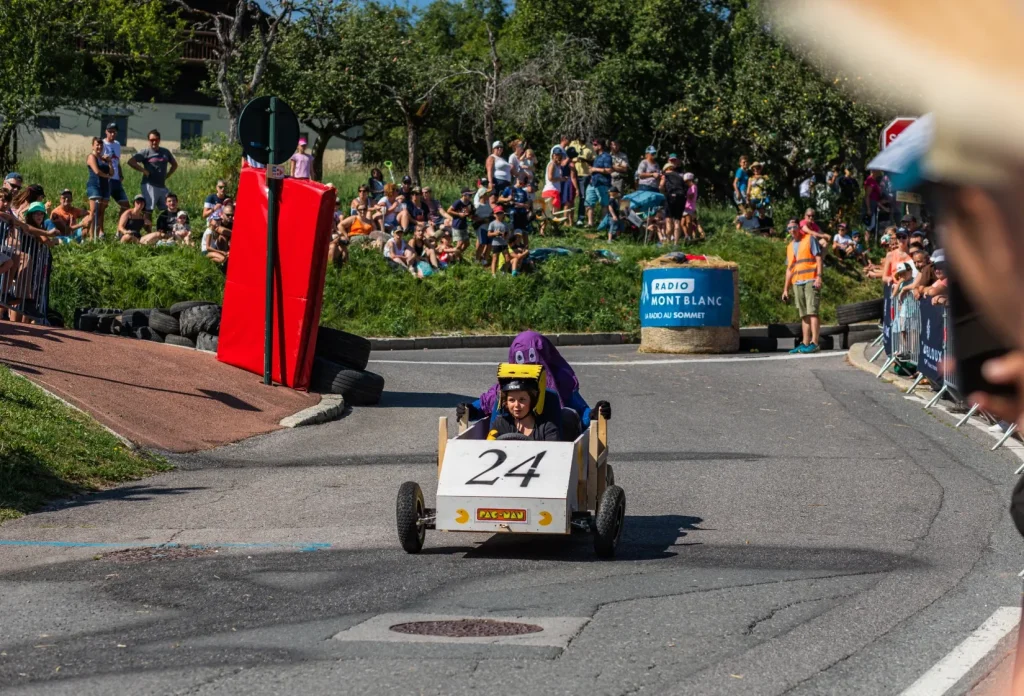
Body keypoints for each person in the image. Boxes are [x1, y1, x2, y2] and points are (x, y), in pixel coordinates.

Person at [460, 330, 611, 428]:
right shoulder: (506, 389)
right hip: (510, 444)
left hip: (548, 447)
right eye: (521, 359)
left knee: (567, 417)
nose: (527, 365)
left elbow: (580, 410)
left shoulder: (558, 386)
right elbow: (487, 402)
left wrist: (593, 414)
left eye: (532, 358)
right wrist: (471, 409)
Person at [782, 217, 824, 353]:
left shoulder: (809, 239)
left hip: (811, 279)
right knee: (804, 314)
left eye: (794, 227)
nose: (792, 230)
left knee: (812, 312)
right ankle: (805, 343)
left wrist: (819, 276)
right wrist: (785, 289)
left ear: (799, 228)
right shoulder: (789, 247)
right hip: (797, 281)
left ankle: (815, 343)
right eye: (789, 228)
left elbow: (818, 258)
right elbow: (789, 269)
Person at [488, 373, 561, 441]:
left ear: (532, 401)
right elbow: (488, 449)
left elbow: (554, 453)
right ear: (506, 403)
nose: (516, 405)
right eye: (512, 400)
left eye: (522, 400)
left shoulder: (547, 428)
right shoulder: (500, 424)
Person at [127, 130, 177, 223]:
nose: (154, 142)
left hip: (162, 185)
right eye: (151, 140)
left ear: (159, 140)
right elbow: (131, 162)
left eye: (156, 139)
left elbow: (174, 165)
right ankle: (148, 232)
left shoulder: (165, 152)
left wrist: (168, 175)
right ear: (148, 140)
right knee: (149, 210)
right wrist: (143, 170)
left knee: (167, 208)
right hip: (149, 184)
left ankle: (164, 229)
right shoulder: (145, 152)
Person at [84, 138, 112, 240]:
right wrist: (107, 176)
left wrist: (109, 162)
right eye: (97, 145)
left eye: (101, 145)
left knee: (101, 212)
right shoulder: (91, 157)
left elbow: (112, 173)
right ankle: (91, 237)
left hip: (105, 187)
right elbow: (97, 171)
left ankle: (98, 234)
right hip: (95, 186)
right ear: (92, 146)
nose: (99, 147)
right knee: (94, 211)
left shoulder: (103, 159)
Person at [585, 139, 614, 229]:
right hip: (593, 183)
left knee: (604, 204)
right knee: (588, 202)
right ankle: (590, 223)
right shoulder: (597, 157)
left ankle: (603, 224)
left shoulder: (607, 156)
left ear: (600, 146)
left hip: (603, 184)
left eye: (594, 144)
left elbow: (609, 170)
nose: (593, 146)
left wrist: (595, 169)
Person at [102, 123, 129, 214]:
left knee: (125, 205)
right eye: (110, 132)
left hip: (116, 179)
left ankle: (120, 227)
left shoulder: (117, 144)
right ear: (106, 132)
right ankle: (100, 228)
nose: (112, 134)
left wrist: (121, 174)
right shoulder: (102, 144)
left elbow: (117, 161)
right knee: (103, 205)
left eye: (114, 132)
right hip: (107, 179)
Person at [570, 138, 594, 225]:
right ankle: (568, 219)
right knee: (570, 196)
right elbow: (567, 157)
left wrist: (585, 160)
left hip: (584, 174)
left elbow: (593, 160)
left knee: (583, 196)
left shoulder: (590, 146)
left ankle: (581, 218)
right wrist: (575, 159)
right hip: (572, 173)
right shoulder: (572, 143)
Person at [541, 148, 566, 231]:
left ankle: (553, 230)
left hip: (554, 190)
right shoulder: (551, 164)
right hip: (551, 190)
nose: (558, 156)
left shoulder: (557, 165)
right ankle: (543, 229)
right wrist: (561, 179)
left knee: (553, 213)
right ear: (553, 155)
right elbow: (550, 177)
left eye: (559, 155)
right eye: (556, 154)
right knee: (550, 212)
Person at [447, 188, 474, 259]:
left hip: (464, 225)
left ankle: (455, 255)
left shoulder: (469, 203)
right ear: (463, 195)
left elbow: (470, 213)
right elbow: (449, 211)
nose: (471, 196)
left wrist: (470, 214)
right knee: (459, 243)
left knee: (467, 243)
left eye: (471, 195)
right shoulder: (458, 202)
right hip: (457, 225)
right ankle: (455, 258)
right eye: (469, 195)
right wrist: (459, 214)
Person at [474, 191, 496, 264]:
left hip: (489, 227)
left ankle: (485, 259)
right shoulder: (477, 205)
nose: (488, 196)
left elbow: (491, 213)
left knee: (489, 244)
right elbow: (474, 217)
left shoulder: (488, 204)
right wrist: (483, 220)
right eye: (486, 194)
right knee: (482, 244)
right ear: (482, 195)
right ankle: (477, 259)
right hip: (481, 227)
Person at [488, 206, 510, 276]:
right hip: (496, 243)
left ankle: (504, 272)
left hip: (504, 243)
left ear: (503, 214)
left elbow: (507, 233)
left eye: (500, 213)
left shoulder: (505, 224)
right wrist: (495, 233)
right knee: (495, 258)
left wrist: (505, 235)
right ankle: (493, 274)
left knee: (507, 259)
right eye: (497, 213)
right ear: (494, 214)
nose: (499, 215)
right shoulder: (492, 223)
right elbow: (488, 234)